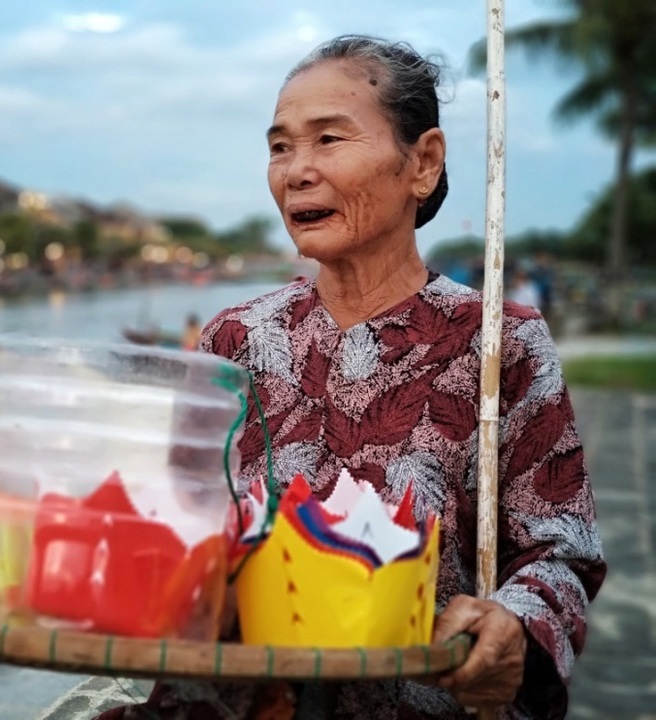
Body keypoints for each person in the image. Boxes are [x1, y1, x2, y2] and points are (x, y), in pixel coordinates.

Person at [97, 35, 605, 719]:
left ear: (421, 163)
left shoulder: (501, 343)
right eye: (280, 147)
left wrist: (511, 628)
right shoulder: (233, 340)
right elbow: (176, 525)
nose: (296, 171)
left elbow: (560, 551)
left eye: (328, 140)